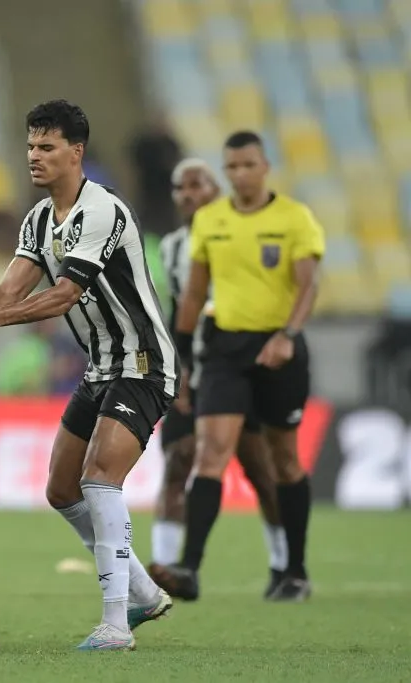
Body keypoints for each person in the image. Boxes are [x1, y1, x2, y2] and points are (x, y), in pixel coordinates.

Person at [0, 100, 176, 651]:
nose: (34, 156)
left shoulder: (102, 211)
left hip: (142, 365)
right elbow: (11, 288)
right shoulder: (39, 218)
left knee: (99, 478)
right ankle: (143, 592)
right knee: (60, 489)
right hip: (99, 369)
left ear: (77, 152)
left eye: (46, 147)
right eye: (30, 146)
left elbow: (64, 294)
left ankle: (117, 625)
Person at [160, 131, 324, 603]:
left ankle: (293, 570)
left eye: (247, 165)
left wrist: (287, 337)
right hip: (224, 351)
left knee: (283, 461)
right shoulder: (212, 221)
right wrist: (187, 358)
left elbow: (308, 286)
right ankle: (188, 569)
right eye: (232, 167)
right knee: (210, 453)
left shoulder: (294, 218)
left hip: (279, 349)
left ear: (265, 166)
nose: (240, 174)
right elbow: (193, 293)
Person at [150, 159, 287, 600]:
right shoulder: (171, 247)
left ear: (215, 189)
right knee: (177, 461)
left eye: (197, 184)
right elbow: (176, 313)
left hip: (238, 371)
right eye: (180, 186)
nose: (188, 193)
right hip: (193, 373)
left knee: (260, 472)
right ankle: (165, 572)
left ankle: (284, 564)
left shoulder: (240, 236)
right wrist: (179, 371)